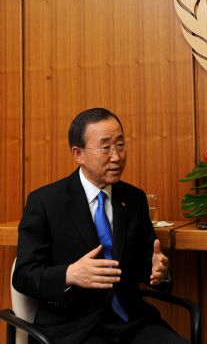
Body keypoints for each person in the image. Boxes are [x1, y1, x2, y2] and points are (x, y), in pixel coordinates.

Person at [13, 108, 189, 344]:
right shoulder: (45, 202)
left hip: (131, 321)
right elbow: (24, 275)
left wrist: (160, 271)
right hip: (73, 327)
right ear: (78, 154)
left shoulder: (134, 198)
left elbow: (145, 262)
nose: (116, 156)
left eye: (120, 145)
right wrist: (69, 274)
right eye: (105, 147)